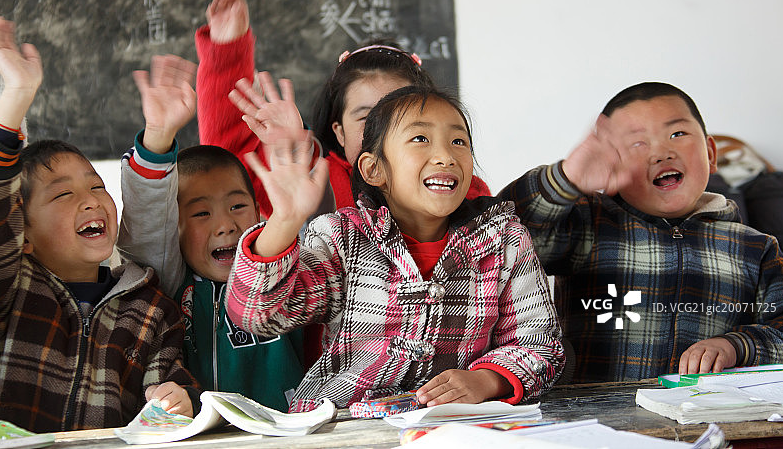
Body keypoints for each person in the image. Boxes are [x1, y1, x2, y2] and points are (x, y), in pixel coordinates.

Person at [225, 84, 564, 412]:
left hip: (455, 428)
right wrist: (284, 220)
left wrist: (487, 380)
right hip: (345, 426)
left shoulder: (504, 240)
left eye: (458, 141)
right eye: (420, 139)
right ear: (374, 170)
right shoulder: (342, 238)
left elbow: (540, 345)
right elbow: (257, 315)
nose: (446, 156)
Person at [497, 82, 783, 382]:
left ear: (711, 153)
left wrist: (737, 346)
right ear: (611, 164)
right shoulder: (587, 223)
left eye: (677, 134)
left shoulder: (756, 248)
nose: (661, 153)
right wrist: (565, 178)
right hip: (596, 407)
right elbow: (505, 230)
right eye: (637, 143)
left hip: (706, 406)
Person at [0, 16, 198, 433]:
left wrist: (181, 397)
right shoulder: (9, 288)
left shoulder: (150, 307)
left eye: (97, 186)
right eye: (62, 195)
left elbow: (171, 384)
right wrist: (15, 99)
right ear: (22, 235)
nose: (90, 200)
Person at [195, 0, 491, 217]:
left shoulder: (459, 187)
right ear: (339, 132)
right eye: (365, 118)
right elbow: (229, 164)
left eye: (398, 116)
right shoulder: (313, 181)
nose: (380, 130)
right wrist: (227, 52)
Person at [116, 55, 305, 412]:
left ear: (260, 212)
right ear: (174, 226)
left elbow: (300, 206)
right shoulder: (170, 282)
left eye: (237, 206)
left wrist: (291, 149)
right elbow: (146, 224)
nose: (225, 225)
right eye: (201, 213)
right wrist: (157, 137)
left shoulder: (284, 269)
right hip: (202, 431)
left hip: (290, 429)